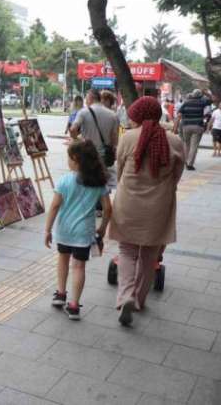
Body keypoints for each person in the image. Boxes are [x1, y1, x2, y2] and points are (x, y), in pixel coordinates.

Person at [109, 97, 184, 326]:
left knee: (127, 250)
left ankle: (126, 296)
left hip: (128, 203)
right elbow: (177, 176)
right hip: (159, 205)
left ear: (139, 116)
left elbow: (119, 170)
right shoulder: (175, 141)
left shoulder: (129, 138)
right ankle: (139, 300)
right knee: (150, 254)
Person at [45, 140, 111, 320]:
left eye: (69, 157)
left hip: (65, 231)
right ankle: (74, 306)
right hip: (84, 233)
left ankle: (60, 294)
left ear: (75, 159)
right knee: (79, 266)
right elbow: (108, 208)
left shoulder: (65, 180)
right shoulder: (99, 181)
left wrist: (47, 230)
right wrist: (103, 228)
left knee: (63, 259)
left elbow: (54, 206)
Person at [176, 89, 212, 170]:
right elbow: (211, 101)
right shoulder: (202, 102)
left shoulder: (186, 102)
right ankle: (189, 164)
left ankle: (185, 161)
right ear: (200, 96)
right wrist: (207, 94)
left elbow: (179, 113)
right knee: (194, 146)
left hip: (186, 126)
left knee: (186, 144)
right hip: (197, 126)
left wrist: (176, 126)